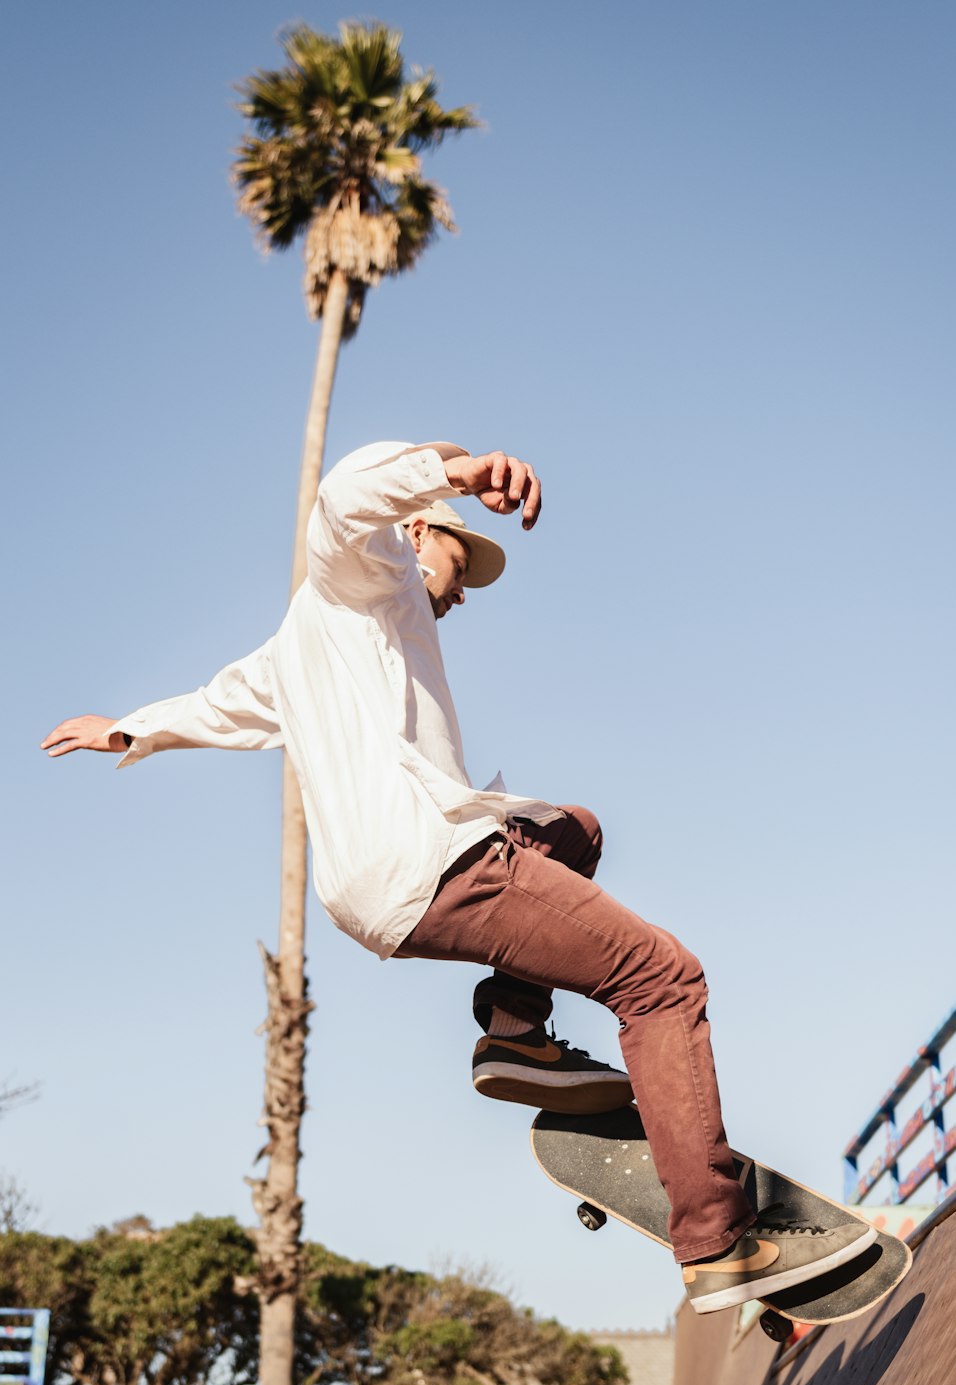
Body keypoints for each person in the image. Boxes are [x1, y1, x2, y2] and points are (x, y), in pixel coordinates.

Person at [42, 439, 872, 1313]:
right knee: (663, 979)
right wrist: (459, 470)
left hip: (376, 889)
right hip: (429, 865)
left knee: (572, 829)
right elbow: (341, 497)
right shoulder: (362, 576)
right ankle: (720, 1240)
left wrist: (130, 729)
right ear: (411, 530)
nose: (464, 588)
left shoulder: (297, 651)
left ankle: (515, 1037)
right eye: (457, 558)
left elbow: (215, 707)